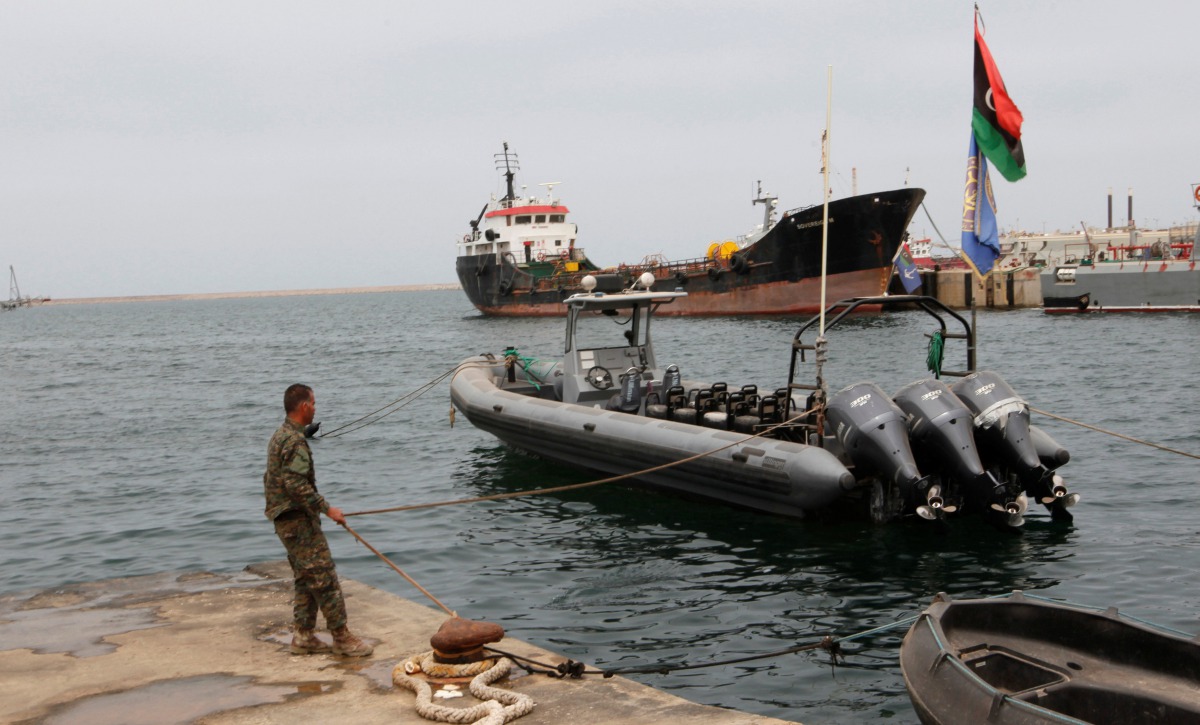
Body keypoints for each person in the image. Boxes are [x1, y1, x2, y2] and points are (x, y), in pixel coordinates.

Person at [263, 383, 373, 657]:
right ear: (304, 407)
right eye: (313, 403)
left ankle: (303, 636)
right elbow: (294, 483)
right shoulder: (295, 441)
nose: (315, 408)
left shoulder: (280, 435)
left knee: (305, 577)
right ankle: (342, 637)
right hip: (297, 521)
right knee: (324, 577)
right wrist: (327, 509)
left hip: (286, 520)